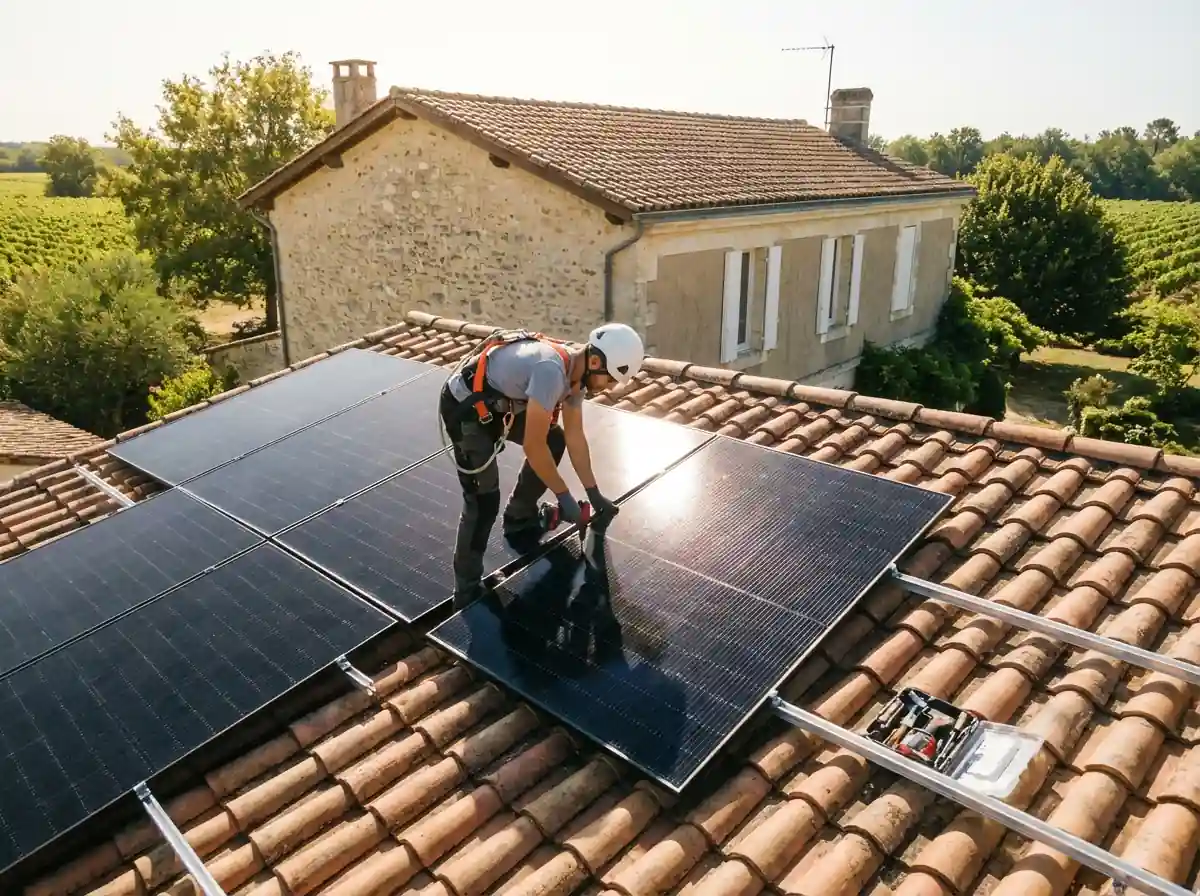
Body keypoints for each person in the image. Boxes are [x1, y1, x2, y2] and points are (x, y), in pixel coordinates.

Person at [438, 322, 645, 607]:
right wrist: (564, 497)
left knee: (555, 439)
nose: (608, 388)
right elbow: (533, 447)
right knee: (483, 499)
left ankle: (518, 517)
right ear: (595, 361)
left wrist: (594, 492)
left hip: (501, 405)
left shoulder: (577, 379)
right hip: (468, 409)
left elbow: (575, 437)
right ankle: (466, 590)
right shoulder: (551, 371)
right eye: (609, 380)